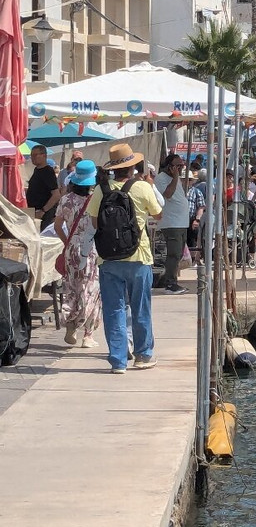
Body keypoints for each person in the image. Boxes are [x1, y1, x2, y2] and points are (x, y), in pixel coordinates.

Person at [89, 143, 163, 374]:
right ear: (131, 167)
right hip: (138, 256)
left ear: (113, 168)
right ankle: (143, 355)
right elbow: (158, 214)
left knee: (113, 309)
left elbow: (94, 221)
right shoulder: (141, 187)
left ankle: (118, 360)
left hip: (108, 259)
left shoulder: (101, 189)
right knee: (141, 307)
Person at [55, 159, 102, 349]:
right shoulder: (95, 200)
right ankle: (88, 335)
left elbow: (58, 226)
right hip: (90, 250)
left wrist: (68, 242)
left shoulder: (65, 200)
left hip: (71, 249)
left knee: (72, 288)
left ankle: (71, 325)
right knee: (91, 290)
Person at [154, 153, 190, 294]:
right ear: (170, 167)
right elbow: (167, 194)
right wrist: (175, 177)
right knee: (173, 254)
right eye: (178, 166)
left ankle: (170, 279)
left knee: (179, 254)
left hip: (181, 222)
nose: (180, 168)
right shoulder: (161, 179)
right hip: (172, 222)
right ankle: (170, 283)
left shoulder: (176, 179)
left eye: (182, 165)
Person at [26, 144, 60, 231]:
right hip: (34, 210)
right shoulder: (37, 170)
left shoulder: (48, 171)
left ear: (44, 155)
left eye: (35, 155)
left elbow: (56, 195)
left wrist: (43, 211)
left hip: (42, 213)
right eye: (31, 155)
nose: (32, 158)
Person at [187, 169, 206, 260]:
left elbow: (201, 207)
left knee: (193, 239)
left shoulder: (196, 192)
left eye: (189, 179)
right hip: (179, 219)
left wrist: (197, 219)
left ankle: (193, 258)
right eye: (184, 179)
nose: (186, 181)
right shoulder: (177, 191)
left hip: (192, 219)